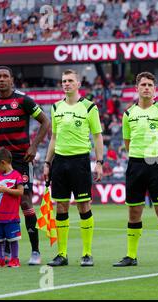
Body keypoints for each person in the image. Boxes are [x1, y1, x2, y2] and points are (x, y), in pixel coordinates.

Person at [0, 66, 50, 266]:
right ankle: (7, 254)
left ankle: (35, 251)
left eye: (5, 76)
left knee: (25, 202)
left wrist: (34, 147)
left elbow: (45, 122)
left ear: (12, 80)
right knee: (4, 202)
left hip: (20, 159)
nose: (1, 79)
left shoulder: (24, 100)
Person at [113, 72, 158, 268]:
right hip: (135, 164)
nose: (147, 88)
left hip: (156, 164)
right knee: (134, 212)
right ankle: (131, 256)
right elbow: (127, 142)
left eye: (150, 85)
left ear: (155, 89)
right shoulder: (128, 114)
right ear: (137, 88)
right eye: (143, 84)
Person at [43, 69, 104, 267]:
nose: (66, 84)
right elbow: (53, 138)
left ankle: (87, 253)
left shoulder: (89, 107)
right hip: (60, 162)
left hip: (80, 161)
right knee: (60, 206)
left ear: (78, 84)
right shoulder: (55, 107)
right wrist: (47, 162)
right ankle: (62, 254)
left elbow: (97, 136)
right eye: (63, 81)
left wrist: (99, 162)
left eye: (70, 80)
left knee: (83, 205)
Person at [0, 148, 24, 268]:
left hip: (11, 215)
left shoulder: (16, 176)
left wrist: (5, 190)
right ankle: (0, 259)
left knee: (13, 238)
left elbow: (20, 192)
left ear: (3, 162)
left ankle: (15, 259)